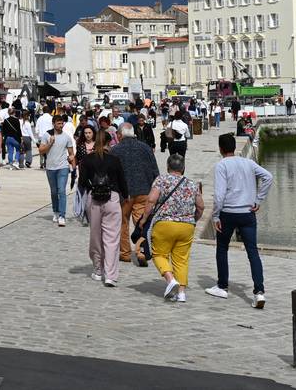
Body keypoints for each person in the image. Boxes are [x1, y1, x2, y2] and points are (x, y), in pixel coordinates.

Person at [207, 132, 273, 308]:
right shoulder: (248, 163)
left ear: (221, 148)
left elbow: (219, 195)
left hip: (228, 213)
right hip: (247, 213)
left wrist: (215, 215)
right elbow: (268, 177)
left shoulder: (221, 165)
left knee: (222, 248)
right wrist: (259, 199)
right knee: (253, 252)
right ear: (234, 147)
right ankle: (259, 292)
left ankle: (222, 286)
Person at [147, 153, 203, 303]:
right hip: (186, 226)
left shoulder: (161, 180)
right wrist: (193, 219)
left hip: (164, 224)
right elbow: (200, 206)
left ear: (167, 166)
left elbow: (151, 200)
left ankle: (170, 279)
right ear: (183, 168)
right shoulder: (192, 184)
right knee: (182, 260)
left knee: (159, 254)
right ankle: (182, 293)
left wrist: (145, 218)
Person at [79, 129, 129, 286]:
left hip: (94, 199)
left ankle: (98, 269)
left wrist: (93, 186)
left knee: (95, 236)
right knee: (112, 238)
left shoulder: (87, 160)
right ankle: (110, 275)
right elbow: (123, 183)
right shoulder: (114, 160)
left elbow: (82, 182)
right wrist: (125, 197)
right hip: (112, 198)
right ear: (109, 142)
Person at [111, 122, 159, 265]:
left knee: (122, 223)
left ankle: (124, 253)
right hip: (144, 191)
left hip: (124, 194)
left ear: (119, 135)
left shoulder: (115, 150)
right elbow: (155, 171)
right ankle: (141, 252)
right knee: (141, 223)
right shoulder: (146, 148)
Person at [38, 113, 76, 226]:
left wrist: (73, 165)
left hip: (63, 167)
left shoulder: (67, 137)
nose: (60, 125)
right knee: (54, 192)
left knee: (61, 191)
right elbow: (41, 150)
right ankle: (56, 211)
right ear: (53, 124)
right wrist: (50, 144)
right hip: (50, 167)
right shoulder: (47, 135)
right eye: (58, 123)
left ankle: (62, 215)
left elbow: (71, 153)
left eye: (62, 123)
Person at [71, 123, 96, 226]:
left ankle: (95, 217)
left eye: (89, 133)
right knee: (85, 198)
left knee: (95, 198)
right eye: (85, 133)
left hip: (96, 175)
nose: (87, 135)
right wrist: (72, 163)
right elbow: (77, 159)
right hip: (84, 175)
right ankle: (86, 216)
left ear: (93, 133)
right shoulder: (81, 146)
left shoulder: (97, 145)